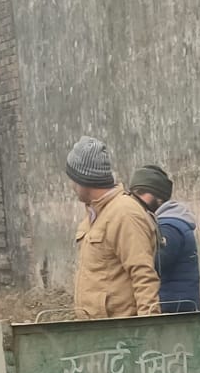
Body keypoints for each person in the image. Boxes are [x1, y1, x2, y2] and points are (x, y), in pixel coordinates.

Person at [67, 136, 160, 319]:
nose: (72, 186)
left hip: (122, 335)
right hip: (98, 332)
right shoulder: (95, 215)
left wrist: (149, 331)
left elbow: (143, 275)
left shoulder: (124, 213)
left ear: (84, 178)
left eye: (73, 179)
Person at [128, 164, 200, 314]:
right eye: (133, 193)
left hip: (176, 314)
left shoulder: (170, 227)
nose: (135, 199)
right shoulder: (164, 223)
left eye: (141, 193)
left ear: (159, 197)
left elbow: (152, 265)